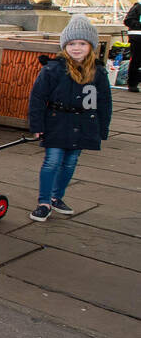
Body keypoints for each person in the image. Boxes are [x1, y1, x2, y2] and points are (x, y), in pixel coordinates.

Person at [27, 14, 112, 221]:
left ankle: (57, 197)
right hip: (56, 121)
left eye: (82, 43)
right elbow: (37, 98)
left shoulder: (98, 73)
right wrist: (36, 125)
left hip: (82, 124)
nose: (77, 48)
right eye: (72, 43)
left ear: (91, 46)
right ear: (65, 46)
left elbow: (104, 102)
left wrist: (102, 128)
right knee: (52, 161)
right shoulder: (53, 69)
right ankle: (44, 202)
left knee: (71, 162)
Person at [123, 0, 141, 92]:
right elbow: (128, 21)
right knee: (136, 61)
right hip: (137, 39)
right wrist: (139, 24)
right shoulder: (138, 7)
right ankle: (132, 84)